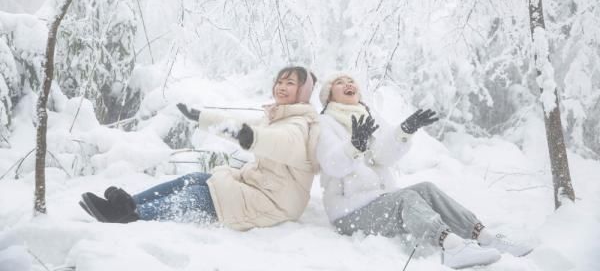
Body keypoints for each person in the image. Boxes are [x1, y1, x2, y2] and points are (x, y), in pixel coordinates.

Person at [317, 73, 533, 269]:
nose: (347, 84)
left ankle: (484, 236)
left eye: (350, 80)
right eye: (339, 82)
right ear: (328, 96)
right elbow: (332, 165)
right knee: (406, 198)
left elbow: (383, 155)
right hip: (349, 212)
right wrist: (353, 146)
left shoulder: (367, 115)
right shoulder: (325, 123)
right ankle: (452, 247)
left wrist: (403, 132)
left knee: (427, 189)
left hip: (379, 199)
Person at [80, 66, 320, 231]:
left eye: (290, 83)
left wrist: (252, 137)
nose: (281, 87)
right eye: (280, 81)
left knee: (201, 195)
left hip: (275, 203)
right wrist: (201, 117)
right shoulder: (278, 117)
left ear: (303, 93)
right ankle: (127, 204)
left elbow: (278, 141)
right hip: (260, 187)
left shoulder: (300, 126)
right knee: (197, 178)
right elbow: (240, 126)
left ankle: (133, 217)